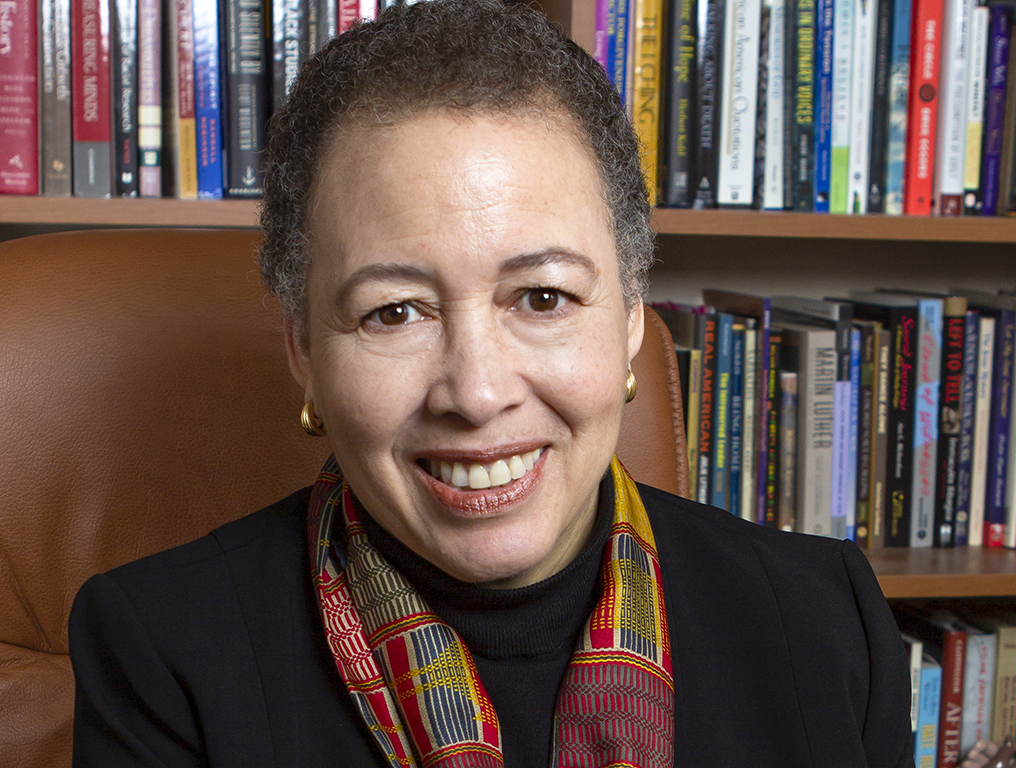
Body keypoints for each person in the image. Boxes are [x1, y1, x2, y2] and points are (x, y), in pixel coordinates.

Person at [68, 1, 913, 766]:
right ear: (303, 351)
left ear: (629, 319)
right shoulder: (161, 652)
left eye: (543, 298)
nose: (475, 395)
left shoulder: (826, 618)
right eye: (395, 312)